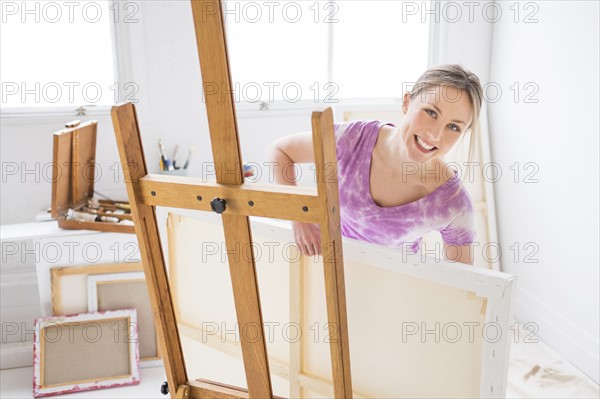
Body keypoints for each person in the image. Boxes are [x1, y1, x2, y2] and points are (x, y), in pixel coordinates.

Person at [266, 64, 483, 265]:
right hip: (330, 276)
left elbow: (462, 285)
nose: (435, 134)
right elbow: (280, 151)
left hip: (390, 290)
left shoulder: (453, 204)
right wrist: (298, 218)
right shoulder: (352, 139)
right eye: (431, 112)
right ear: (406, 102)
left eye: (454, 127)